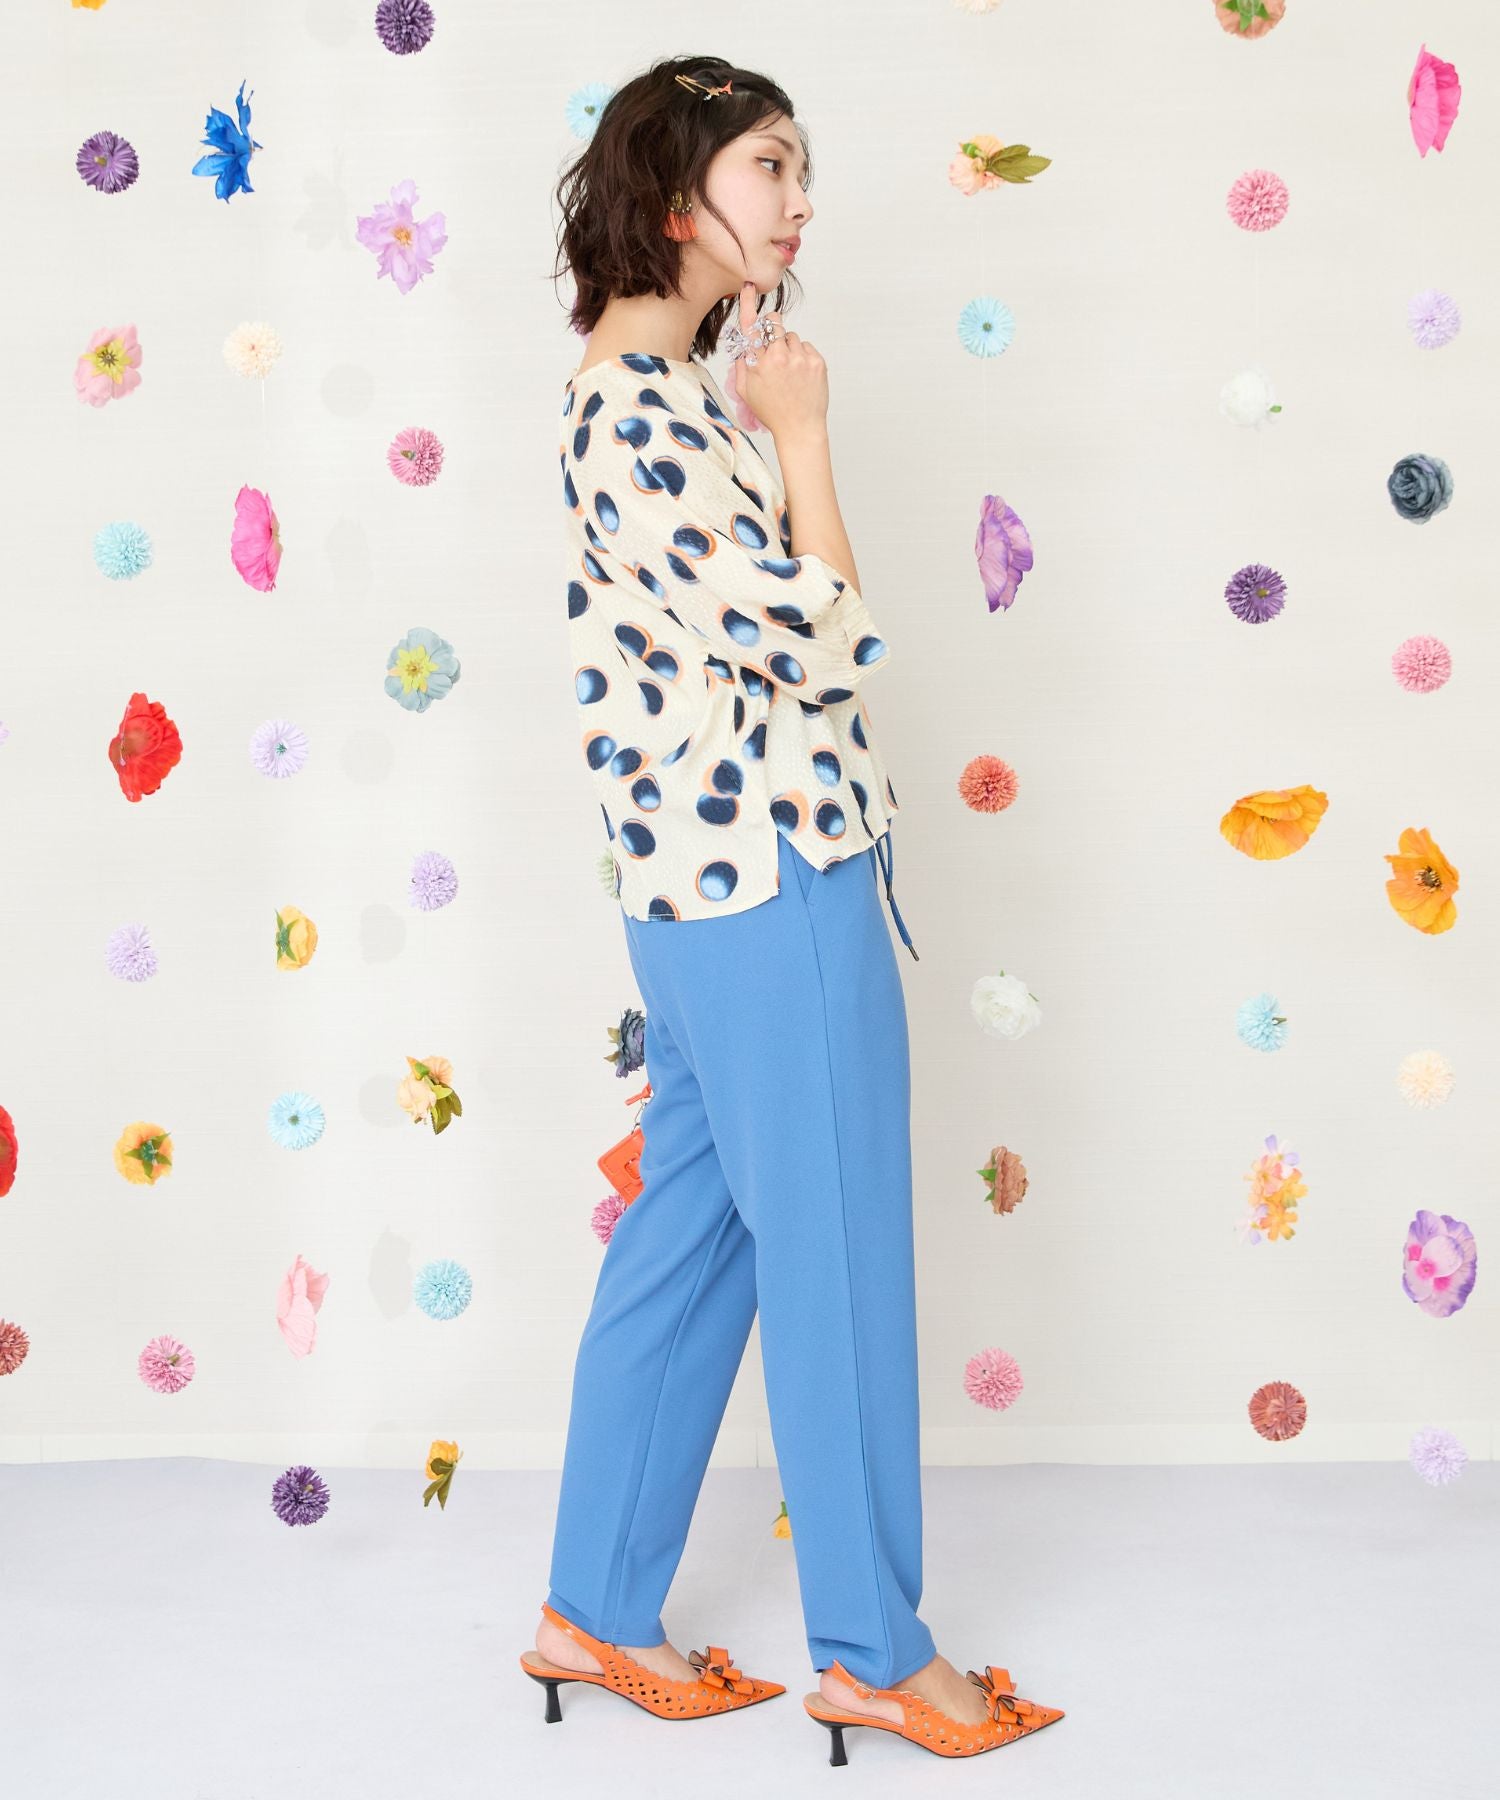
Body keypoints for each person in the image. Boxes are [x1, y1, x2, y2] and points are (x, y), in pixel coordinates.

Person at [519, 55, 1064, 1763]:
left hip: (702, 898)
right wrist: (808, 436)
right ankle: (879, 1654)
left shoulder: (660, 395)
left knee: (689, 1252)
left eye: (802, 168)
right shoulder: (641, 411)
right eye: (771, 165)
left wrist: (764, 425)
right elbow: (823, 638)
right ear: (675, 190)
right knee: (834, 1264)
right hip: (768, 885)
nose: (801, 199)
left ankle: (593, 1608)